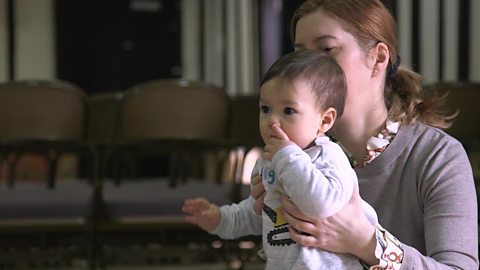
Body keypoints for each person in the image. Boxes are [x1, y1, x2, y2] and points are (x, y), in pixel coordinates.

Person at [250, 0, 478, 269]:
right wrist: (274, 225)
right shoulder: (293, 154)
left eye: (326, 49)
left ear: (379, 58)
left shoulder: (438, 156)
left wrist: (366, 243)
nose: (307, 69)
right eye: (300, 54)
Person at [183, 50, 378, 269]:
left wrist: (287, 157)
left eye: (288, 111)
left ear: (324, 120)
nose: (272, 121)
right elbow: (259, 214)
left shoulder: (328, 156)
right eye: (265, 109)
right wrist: (220, 219)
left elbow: (322, 205)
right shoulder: (269, 161)